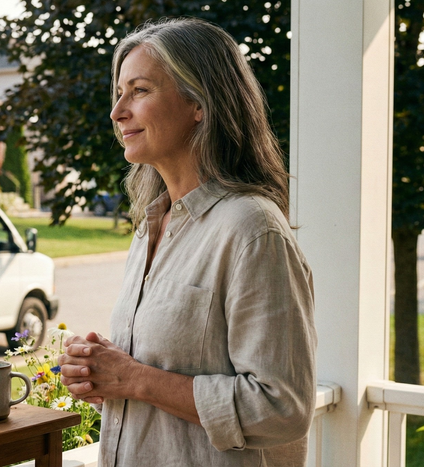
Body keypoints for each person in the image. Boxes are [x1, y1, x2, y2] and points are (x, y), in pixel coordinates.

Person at [58, 18, 317, 467]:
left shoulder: (252, 230)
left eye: (139, 91)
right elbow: (165, 382)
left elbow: (281, 408)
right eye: (119, 93)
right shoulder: (149, 226)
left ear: (199, 104)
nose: (118, 112)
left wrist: (135, 379)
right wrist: (104, 375)